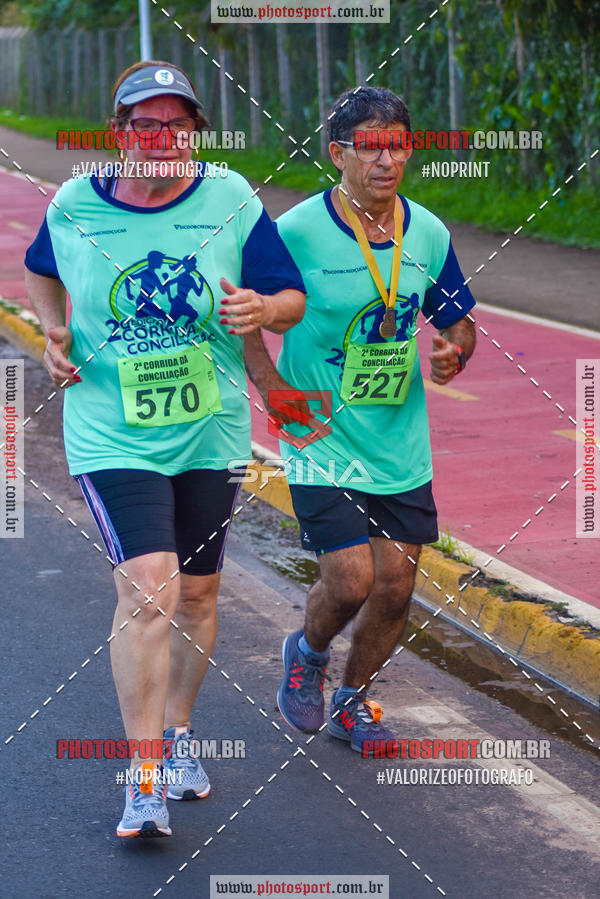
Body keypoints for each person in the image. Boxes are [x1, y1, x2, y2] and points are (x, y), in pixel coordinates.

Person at [24, 60, 305, 837]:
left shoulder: (229, 198)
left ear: (195, 134)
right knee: (151, 588)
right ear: (120, 134)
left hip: (210, 431)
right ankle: (143, 777)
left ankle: (179, 734)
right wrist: (53, 330)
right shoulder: (77, 203)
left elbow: (290, 297)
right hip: (111, 429)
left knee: (200, 594)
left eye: (178, 125)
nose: (163, 138)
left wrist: (263, 309)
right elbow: (41, 270)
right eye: (146, 124)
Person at [245, 86, 476, 754]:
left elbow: (459, 322)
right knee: (351, 578)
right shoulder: (295, 232)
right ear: (337, 153)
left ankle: (352, 700)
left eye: (398, 145)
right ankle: (308, 652)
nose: (387, 160)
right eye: (371, 146)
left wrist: (455, 352)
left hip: (399, 441)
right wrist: (272, 388)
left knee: (397, 587)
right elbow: (246, 313)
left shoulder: (427, 232)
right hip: (320, 434)